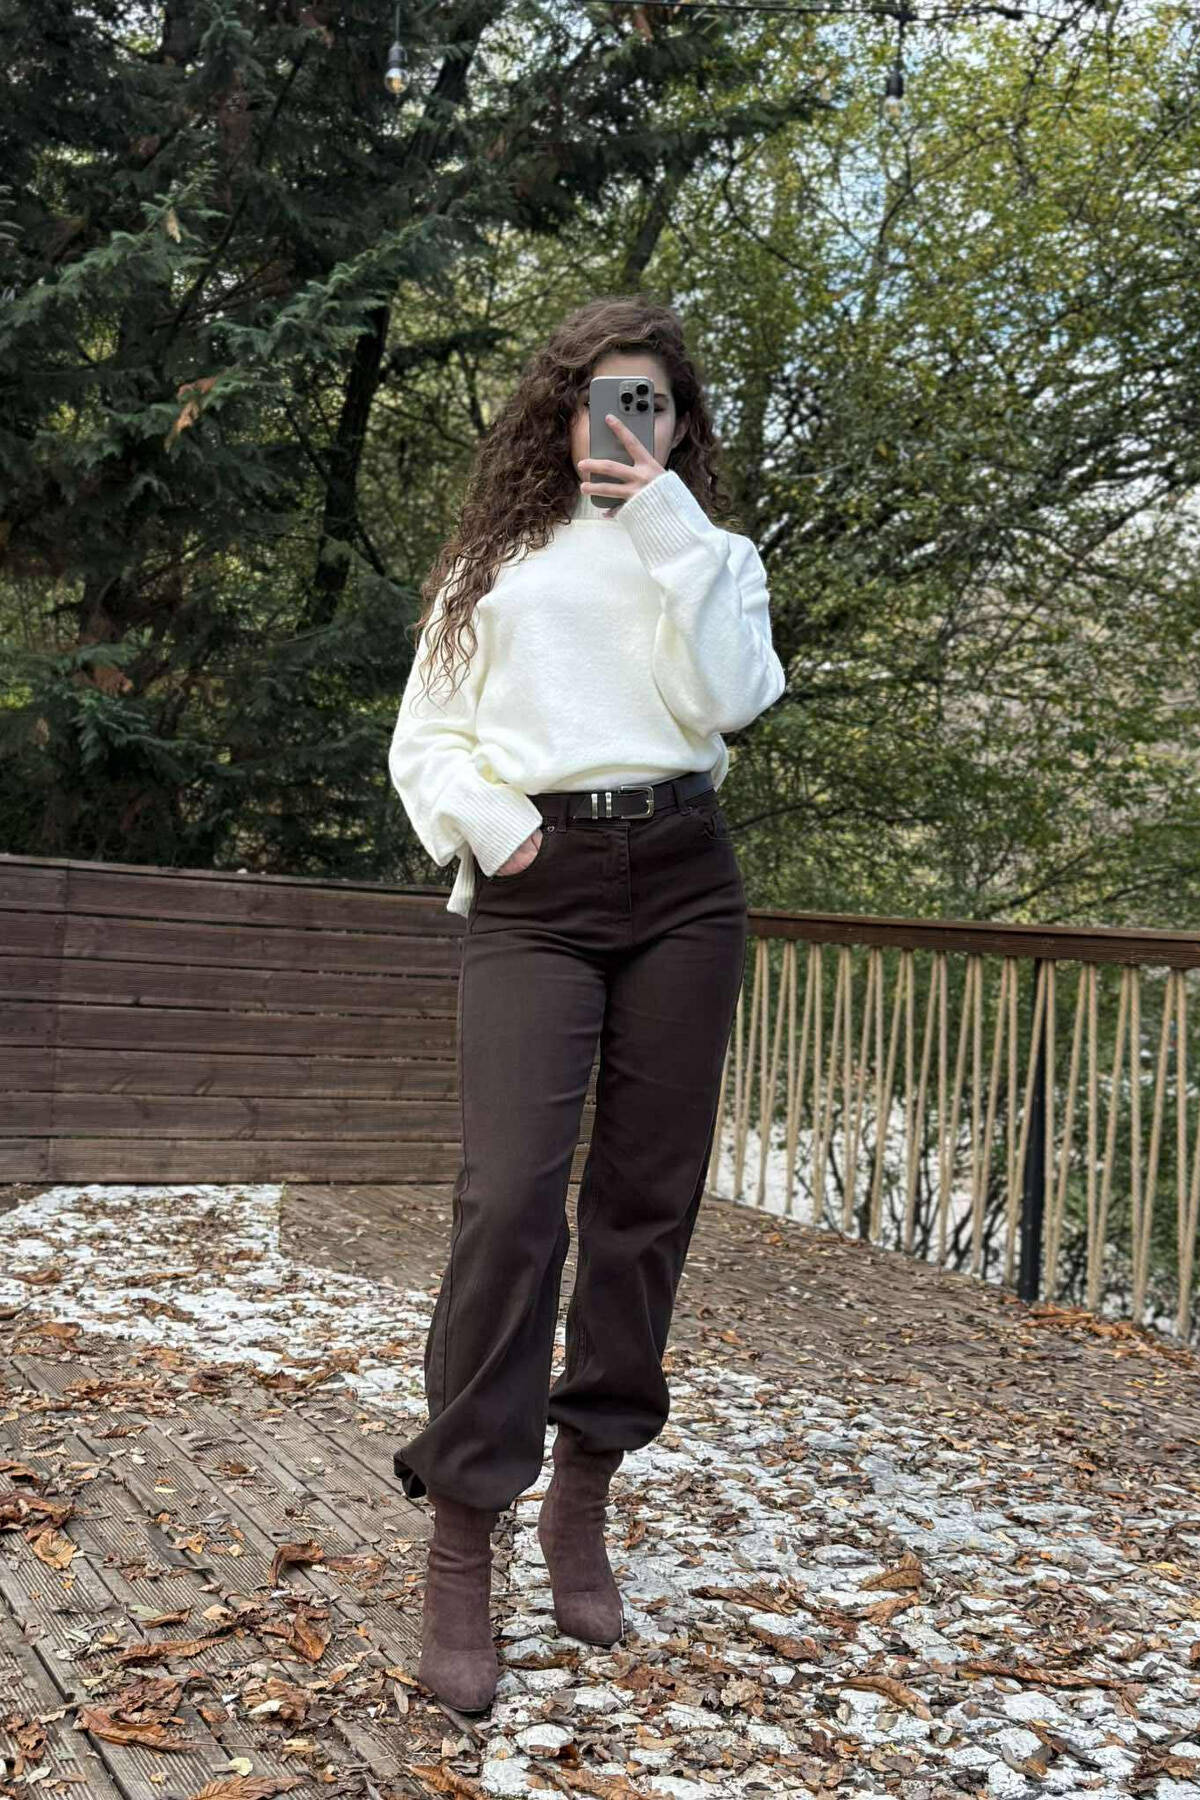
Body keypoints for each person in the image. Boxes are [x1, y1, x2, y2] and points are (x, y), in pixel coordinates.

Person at [386, 295, 786, 1714]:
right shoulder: (490, 563)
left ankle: (584, 1495)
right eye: (605, 398)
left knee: (646, 1199)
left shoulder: (711, 555)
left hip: (683, 879)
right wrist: (502, 832)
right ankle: (462, 1536)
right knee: (508, 1198)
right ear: (560, 412)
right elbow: (426, 741)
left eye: (653, 403)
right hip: (536, 886)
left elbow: (732, 699)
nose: (626, 423)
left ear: (681, 424)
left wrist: (669, 521)